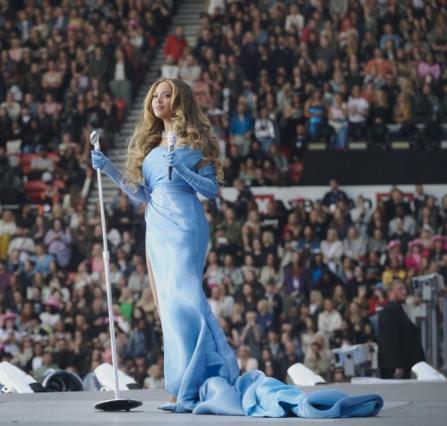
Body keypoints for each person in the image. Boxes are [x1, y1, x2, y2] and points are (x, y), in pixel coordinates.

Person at [91, 78, 382, 418]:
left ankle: (192, 385)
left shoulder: (194, 143)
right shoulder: (152, 147)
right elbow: (145, 193)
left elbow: (211, 189)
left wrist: (182, 166)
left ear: (180, 99)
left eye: (166, 94)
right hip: (155, 227)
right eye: (155, 95)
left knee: (187, 298)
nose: (158, 100)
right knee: (168, 307)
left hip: (186, 224)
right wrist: (109, 170)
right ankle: (180, 386)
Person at [377, 279, 425, 379]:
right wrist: (397, 365)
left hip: (406, 364)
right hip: (396, 367)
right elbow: (390, 341)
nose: (404, 291)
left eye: (404, 288)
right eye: (400, 289)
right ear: (391, 292)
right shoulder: (389, 311)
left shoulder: (399, 309)